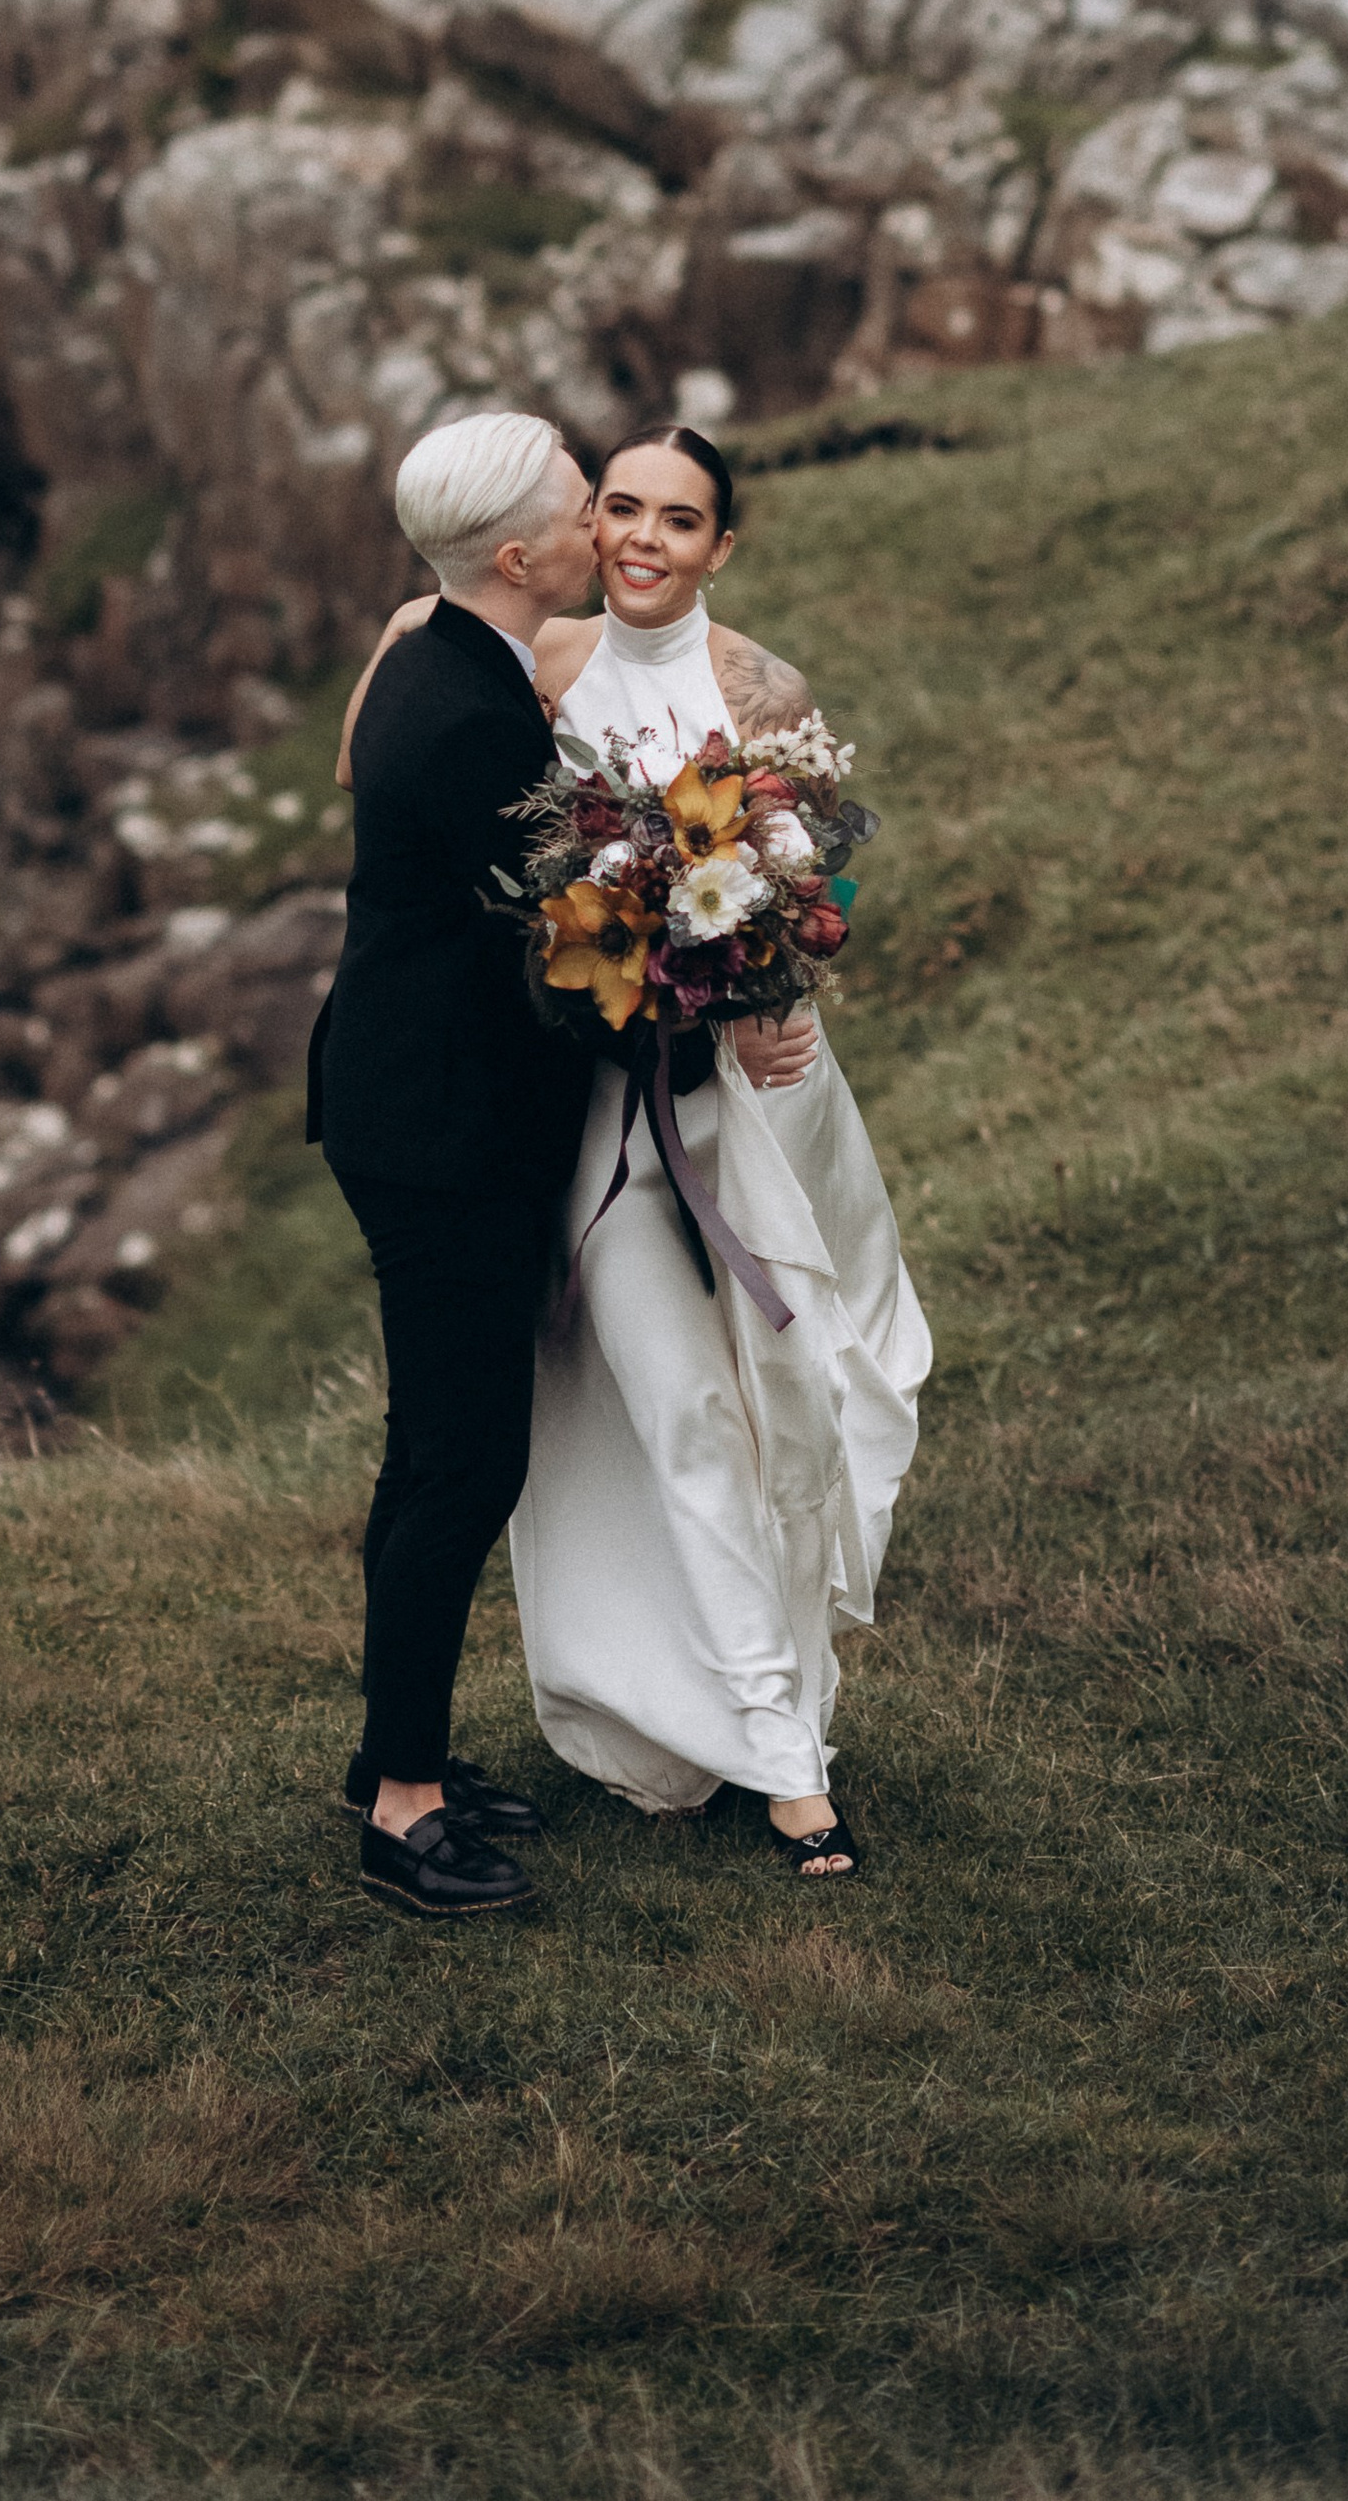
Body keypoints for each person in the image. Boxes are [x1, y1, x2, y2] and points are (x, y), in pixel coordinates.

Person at [337, 421, 930, 1879]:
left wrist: (776, 994)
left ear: (723, 545)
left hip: (722, 1102)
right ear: (561, 538)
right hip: (586, 1101)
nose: (643, 536)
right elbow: (398, 802)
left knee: (771, 1400)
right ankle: (737, 1761)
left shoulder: (757, 688)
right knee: (631, 1423)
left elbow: (802, 874)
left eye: (681, 517)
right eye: (615, 505)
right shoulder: (495, 659)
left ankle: (770, 1734)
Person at [306, 410, 599, 1919]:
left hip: (407, 1098)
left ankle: (386, 1760)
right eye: (578, 501)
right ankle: (402, 1811)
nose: (597, 515)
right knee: (462, 1458)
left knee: (432, 1447)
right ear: (518, 555)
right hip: (440, 1129)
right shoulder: (476, 716)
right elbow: (566, 937)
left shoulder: (445, 648)